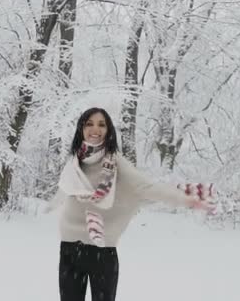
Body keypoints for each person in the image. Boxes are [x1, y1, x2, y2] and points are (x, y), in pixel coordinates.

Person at [47, 107, 217, 301]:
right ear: (81, 129)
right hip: (69, 249)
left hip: (101, 253)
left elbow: (148, 188)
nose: (96, 129)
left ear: (109, 131)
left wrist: (187, 200)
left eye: (102, 124)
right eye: (89, 124)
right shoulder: (74, 162)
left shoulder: (115, 163)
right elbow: (65, 190)